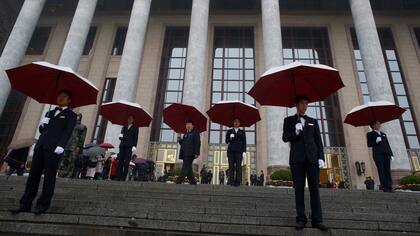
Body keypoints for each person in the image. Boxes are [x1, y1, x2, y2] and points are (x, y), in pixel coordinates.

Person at [11, 90, 77, 215]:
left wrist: (61, 146)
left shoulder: (71, 115)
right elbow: (43, 131)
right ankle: (25, 204)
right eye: (59, 96)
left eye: (64, 97)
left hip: (54, 149)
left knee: (49, 177)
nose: (60, 98)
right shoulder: (49, 112)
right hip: (41, 146)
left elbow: (67, 132)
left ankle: (42, 205)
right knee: (33, 177)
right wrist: (43, 124)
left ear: (69, 100)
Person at [282, 96, 328, 231]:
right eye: (302, 103)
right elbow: (285, 137)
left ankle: (317, 220)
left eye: (306, 103)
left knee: (315, 189)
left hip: (312, 159)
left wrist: (321, 157)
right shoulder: (289, 120)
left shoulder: (313, 121)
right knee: (299, 190)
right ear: (296, 104)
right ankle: (301, 218)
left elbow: (318, 141)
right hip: (297, 160)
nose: (305, 106)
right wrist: (295, 132)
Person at [367, 120, 394, 193]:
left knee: (387, 171)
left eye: (379, 123)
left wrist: (391, 154)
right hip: (378, 154)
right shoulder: (370, 134)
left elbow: (388, 144)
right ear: (373, 125)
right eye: (378, 124)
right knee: (381, 170)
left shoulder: (383, 134)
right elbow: (369, 144)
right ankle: (384, 187)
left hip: (386, 154)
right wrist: (376, 141)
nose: (379, 125)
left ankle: (390, 187)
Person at [58, 113, 87, 178]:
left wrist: (79, 147)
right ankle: (61, 173)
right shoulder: (69, 125)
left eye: (78, 116)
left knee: (71, 161)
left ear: (80, 117)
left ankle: (68, 175)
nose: (76, 117)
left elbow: (82, 138)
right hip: (66, 144)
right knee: (63, 160)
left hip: (74, 146)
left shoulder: (82, 127)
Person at [176, 120, 200, 185]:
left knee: (185, 167)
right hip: (184, 153)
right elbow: (183, 144)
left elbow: (197, 143)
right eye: (187, 124)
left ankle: (179, 181)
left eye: (189, 124)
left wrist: (197, 153)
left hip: (191, 153)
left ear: (192, 125)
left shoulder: (195, 133)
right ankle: (193, 182)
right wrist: (179, 138)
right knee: (188, 168)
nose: (188, 126)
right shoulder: (186, 134)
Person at [116, 115, 139, 181]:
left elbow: (136, 137)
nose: (129, 120)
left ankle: (123, 177)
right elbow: (121, 136)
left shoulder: (135, 128)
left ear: (133, 120)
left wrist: (134, 146)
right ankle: (118, 177)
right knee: (120, 161)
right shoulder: (124, 127)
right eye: (128, 118)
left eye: (131, 119)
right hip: (122, 145)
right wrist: (120, 136)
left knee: (126, 162)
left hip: (129, 146)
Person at [225, 118, 246, 186]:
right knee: (231, 166)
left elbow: (244, 142)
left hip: (239, 151)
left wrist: (244, 151)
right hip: (231, 151)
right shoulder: (229, 131)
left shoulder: (242, 132)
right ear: (233, 123)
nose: (236, 123)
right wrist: (230, 138)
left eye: (237, 122)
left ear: (239, 123)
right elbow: (226, 141)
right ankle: (230, 180)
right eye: (235, 122)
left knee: (238, 167)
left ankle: (238, 181)